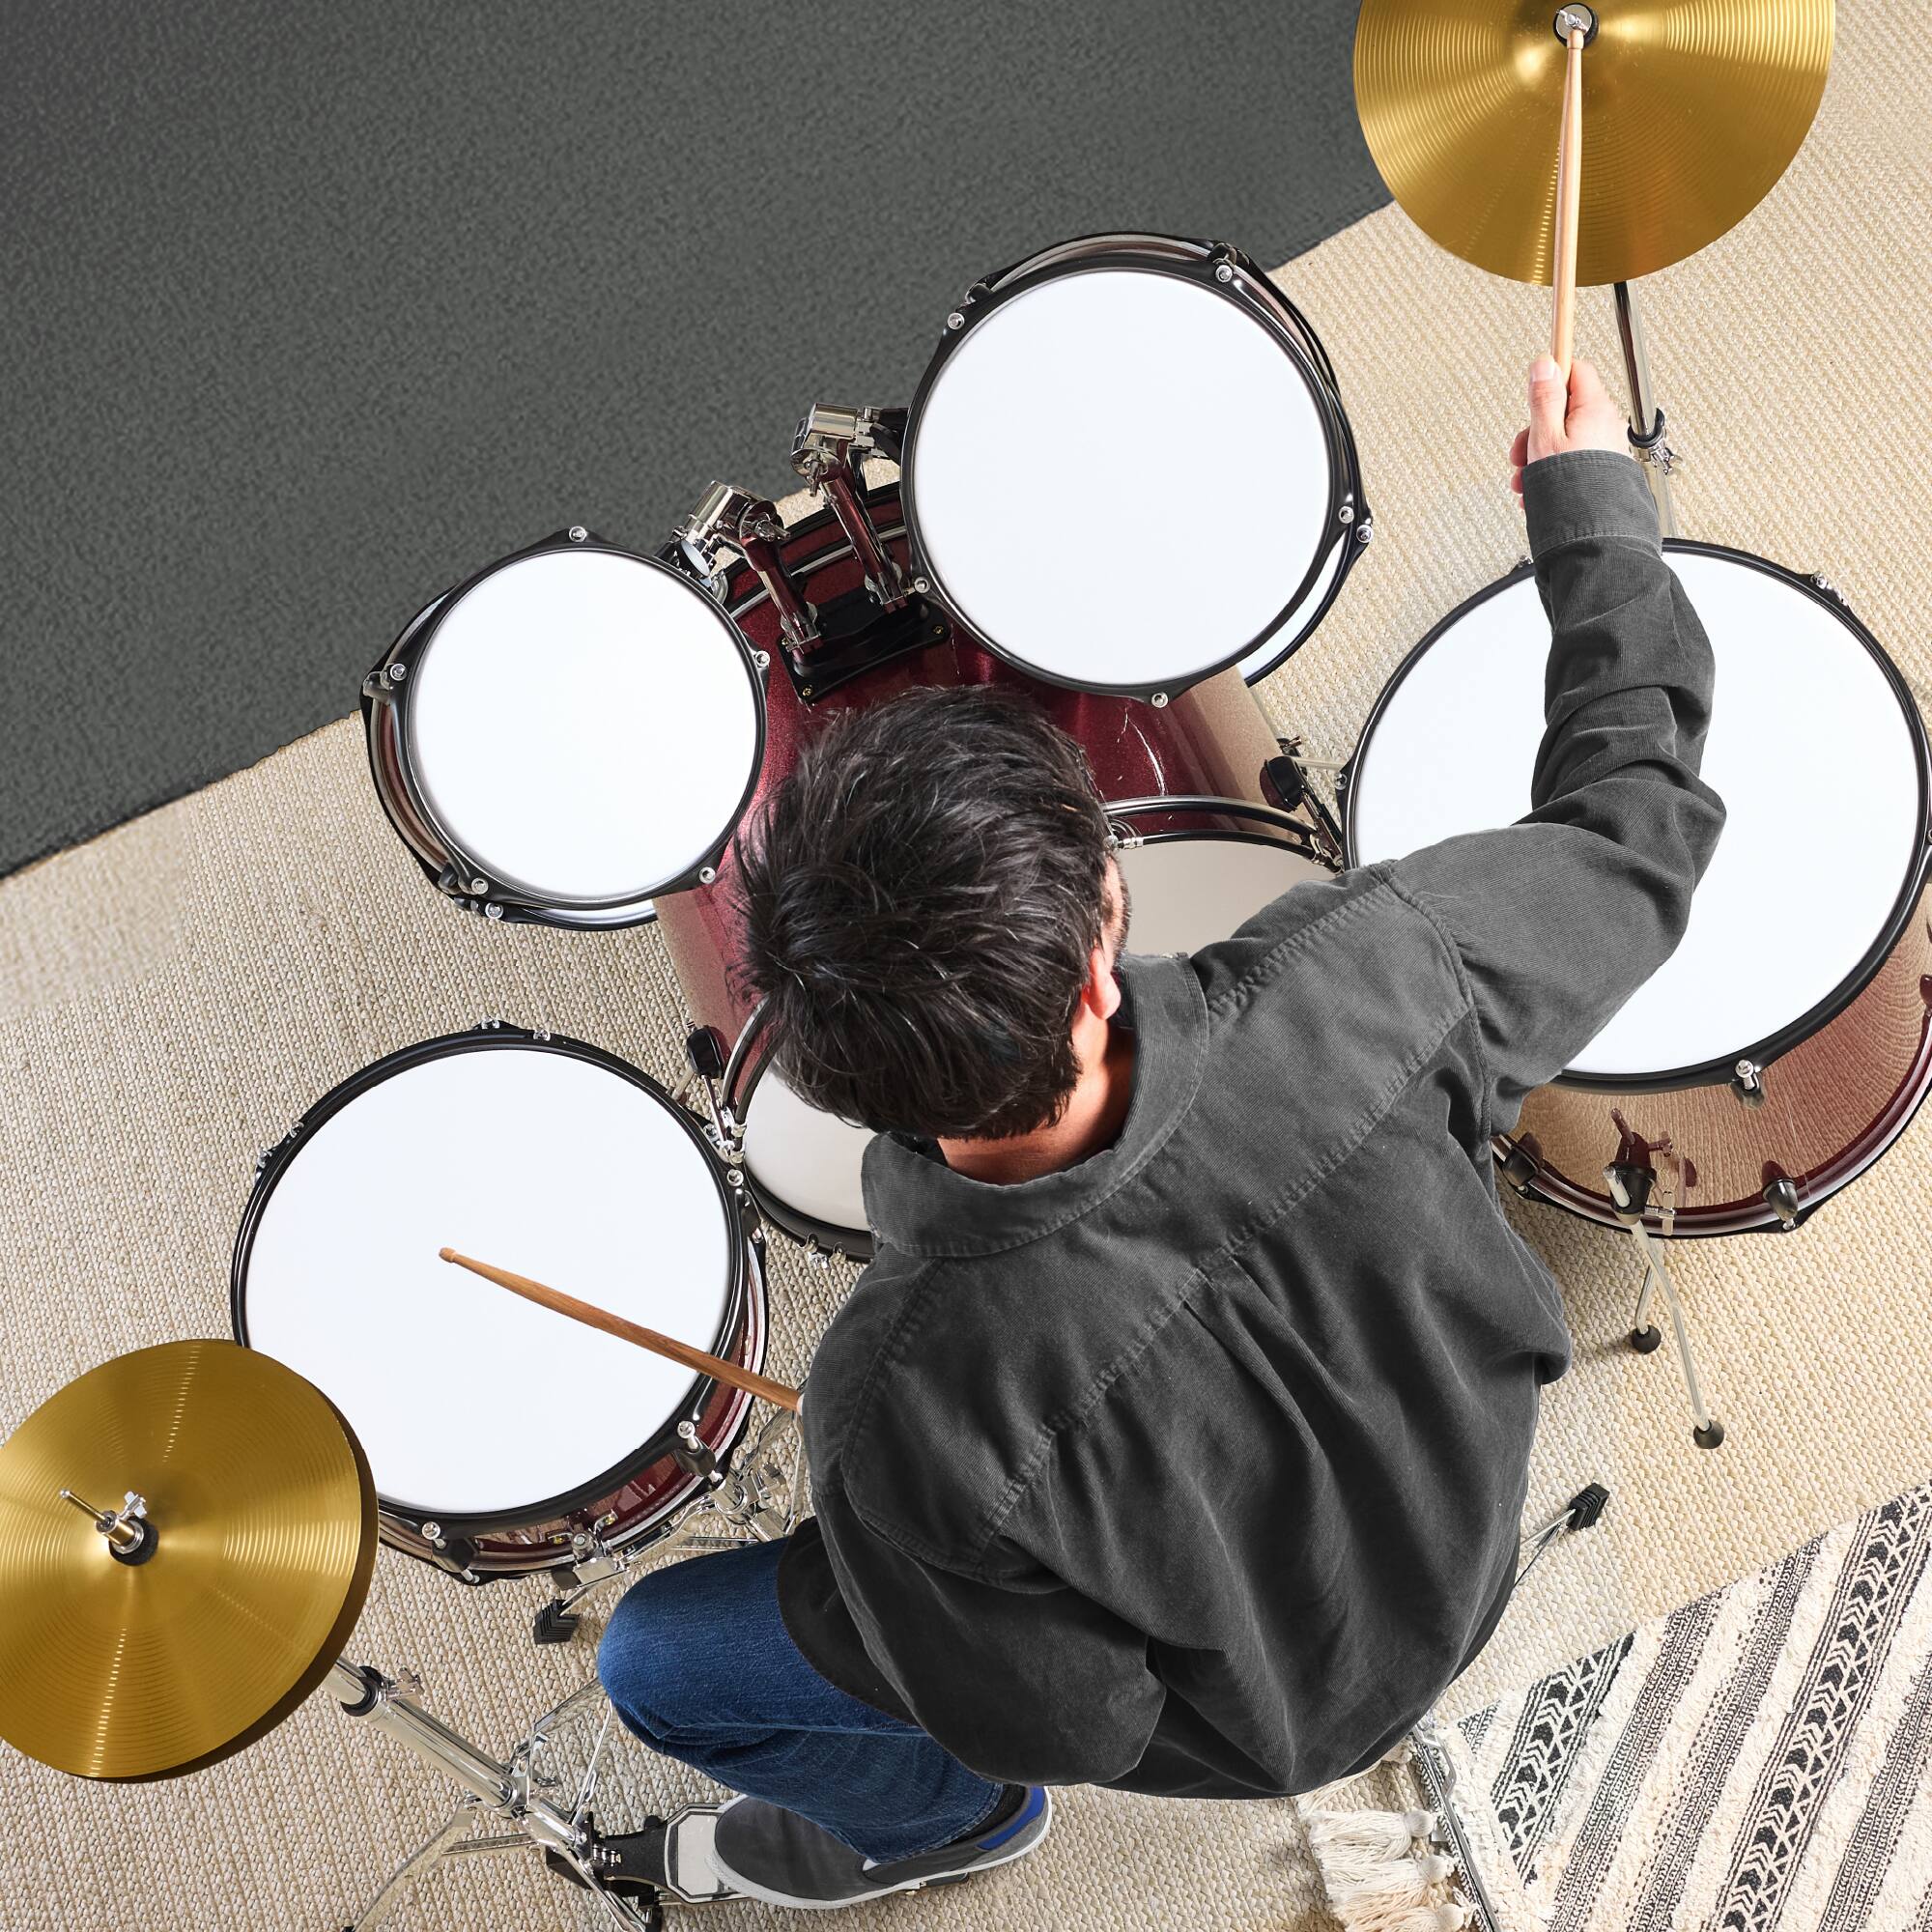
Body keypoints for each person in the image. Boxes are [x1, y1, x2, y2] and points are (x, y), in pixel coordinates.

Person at [597, 355, 1725, 1911]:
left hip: (1268, 1725)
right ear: (1105, 924)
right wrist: (1591, 507)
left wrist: (906, 1558)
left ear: (830, 1083)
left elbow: (1071, 1722)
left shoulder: (889, 1412)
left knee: (653, 1660)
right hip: (1465, 1534)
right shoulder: (1374, 979)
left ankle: (941, 1825)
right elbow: (1637, 822)